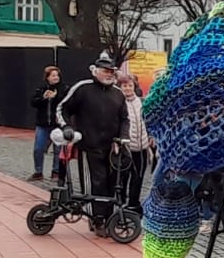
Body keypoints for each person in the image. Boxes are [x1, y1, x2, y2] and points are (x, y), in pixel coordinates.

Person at [60, 55, 132, 230]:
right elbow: (62, 108)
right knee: (95, 184)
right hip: (89, 146)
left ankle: (110, 218)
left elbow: (125, 118)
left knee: (113, 184)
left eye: (111, 71)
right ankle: (97, 220)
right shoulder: (83, 88)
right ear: (95, 71)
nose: (109, 74)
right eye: (105, 71)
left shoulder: (118, 93)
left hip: (112, 148)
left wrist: (123, 137)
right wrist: (66, 127)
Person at [116, 68, 148, 211]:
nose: (128, 88)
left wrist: (150, 137)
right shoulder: (118, 103)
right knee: (123, 177)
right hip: (125, 148)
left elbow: (147, 121)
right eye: (125, 86)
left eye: (130, 85)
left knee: (138, 177)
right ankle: (121, 203)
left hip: (142, 147)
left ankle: (134, 203)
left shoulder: (142, 102)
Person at [29, 66, 65, 181]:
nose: (56, 77)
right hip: (42, 124)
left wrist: (56, 97)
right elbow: (33, 102)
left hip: (57, 124)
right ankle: (38, 171)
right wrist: (43, 98)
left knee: (58, 150)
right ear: (47, 77)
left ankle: (56, 172)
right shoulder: (41, 89)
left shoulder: (64, 88)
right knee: (38, 149)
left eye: (57, 75)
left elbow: (66, 102)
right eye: (53, 75)